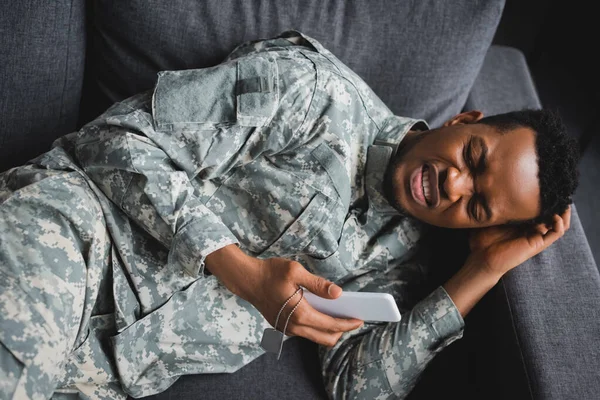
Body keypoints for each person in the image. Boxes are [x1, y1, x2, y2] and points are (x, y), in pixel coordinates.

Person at [0, 31, 578, 400]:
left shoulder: (404, 259)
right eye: (473, 158)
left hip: (102, 371)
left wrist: (479, 274)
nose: (453, 184)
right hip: (70, 236)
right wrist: (240, 271)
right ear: (464, 120)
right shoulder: (313, 92)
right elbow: (119, 141)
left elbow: (358, 386)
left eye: (476, 205)